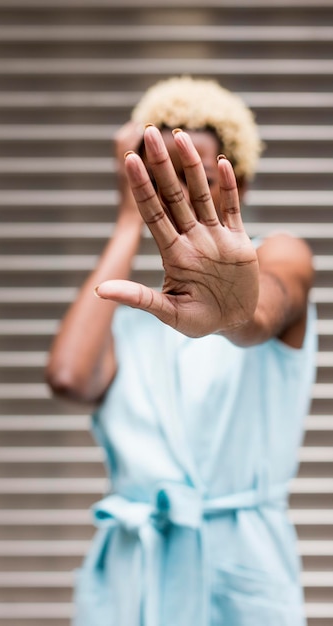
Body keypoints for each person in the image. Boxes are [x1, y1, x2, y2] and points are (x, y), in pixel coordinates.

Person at [46, 76, 317, 626]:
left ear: (232, 177)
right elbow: (71, 378)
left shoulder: (280, 255)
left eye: (190, 168)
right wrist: (127, 221)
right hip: (131, 578)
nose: (174, 186)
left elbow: (264, 312)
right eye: (158, 166)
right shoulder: (129, 314)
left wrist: (235, 310)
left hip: (237, 574)